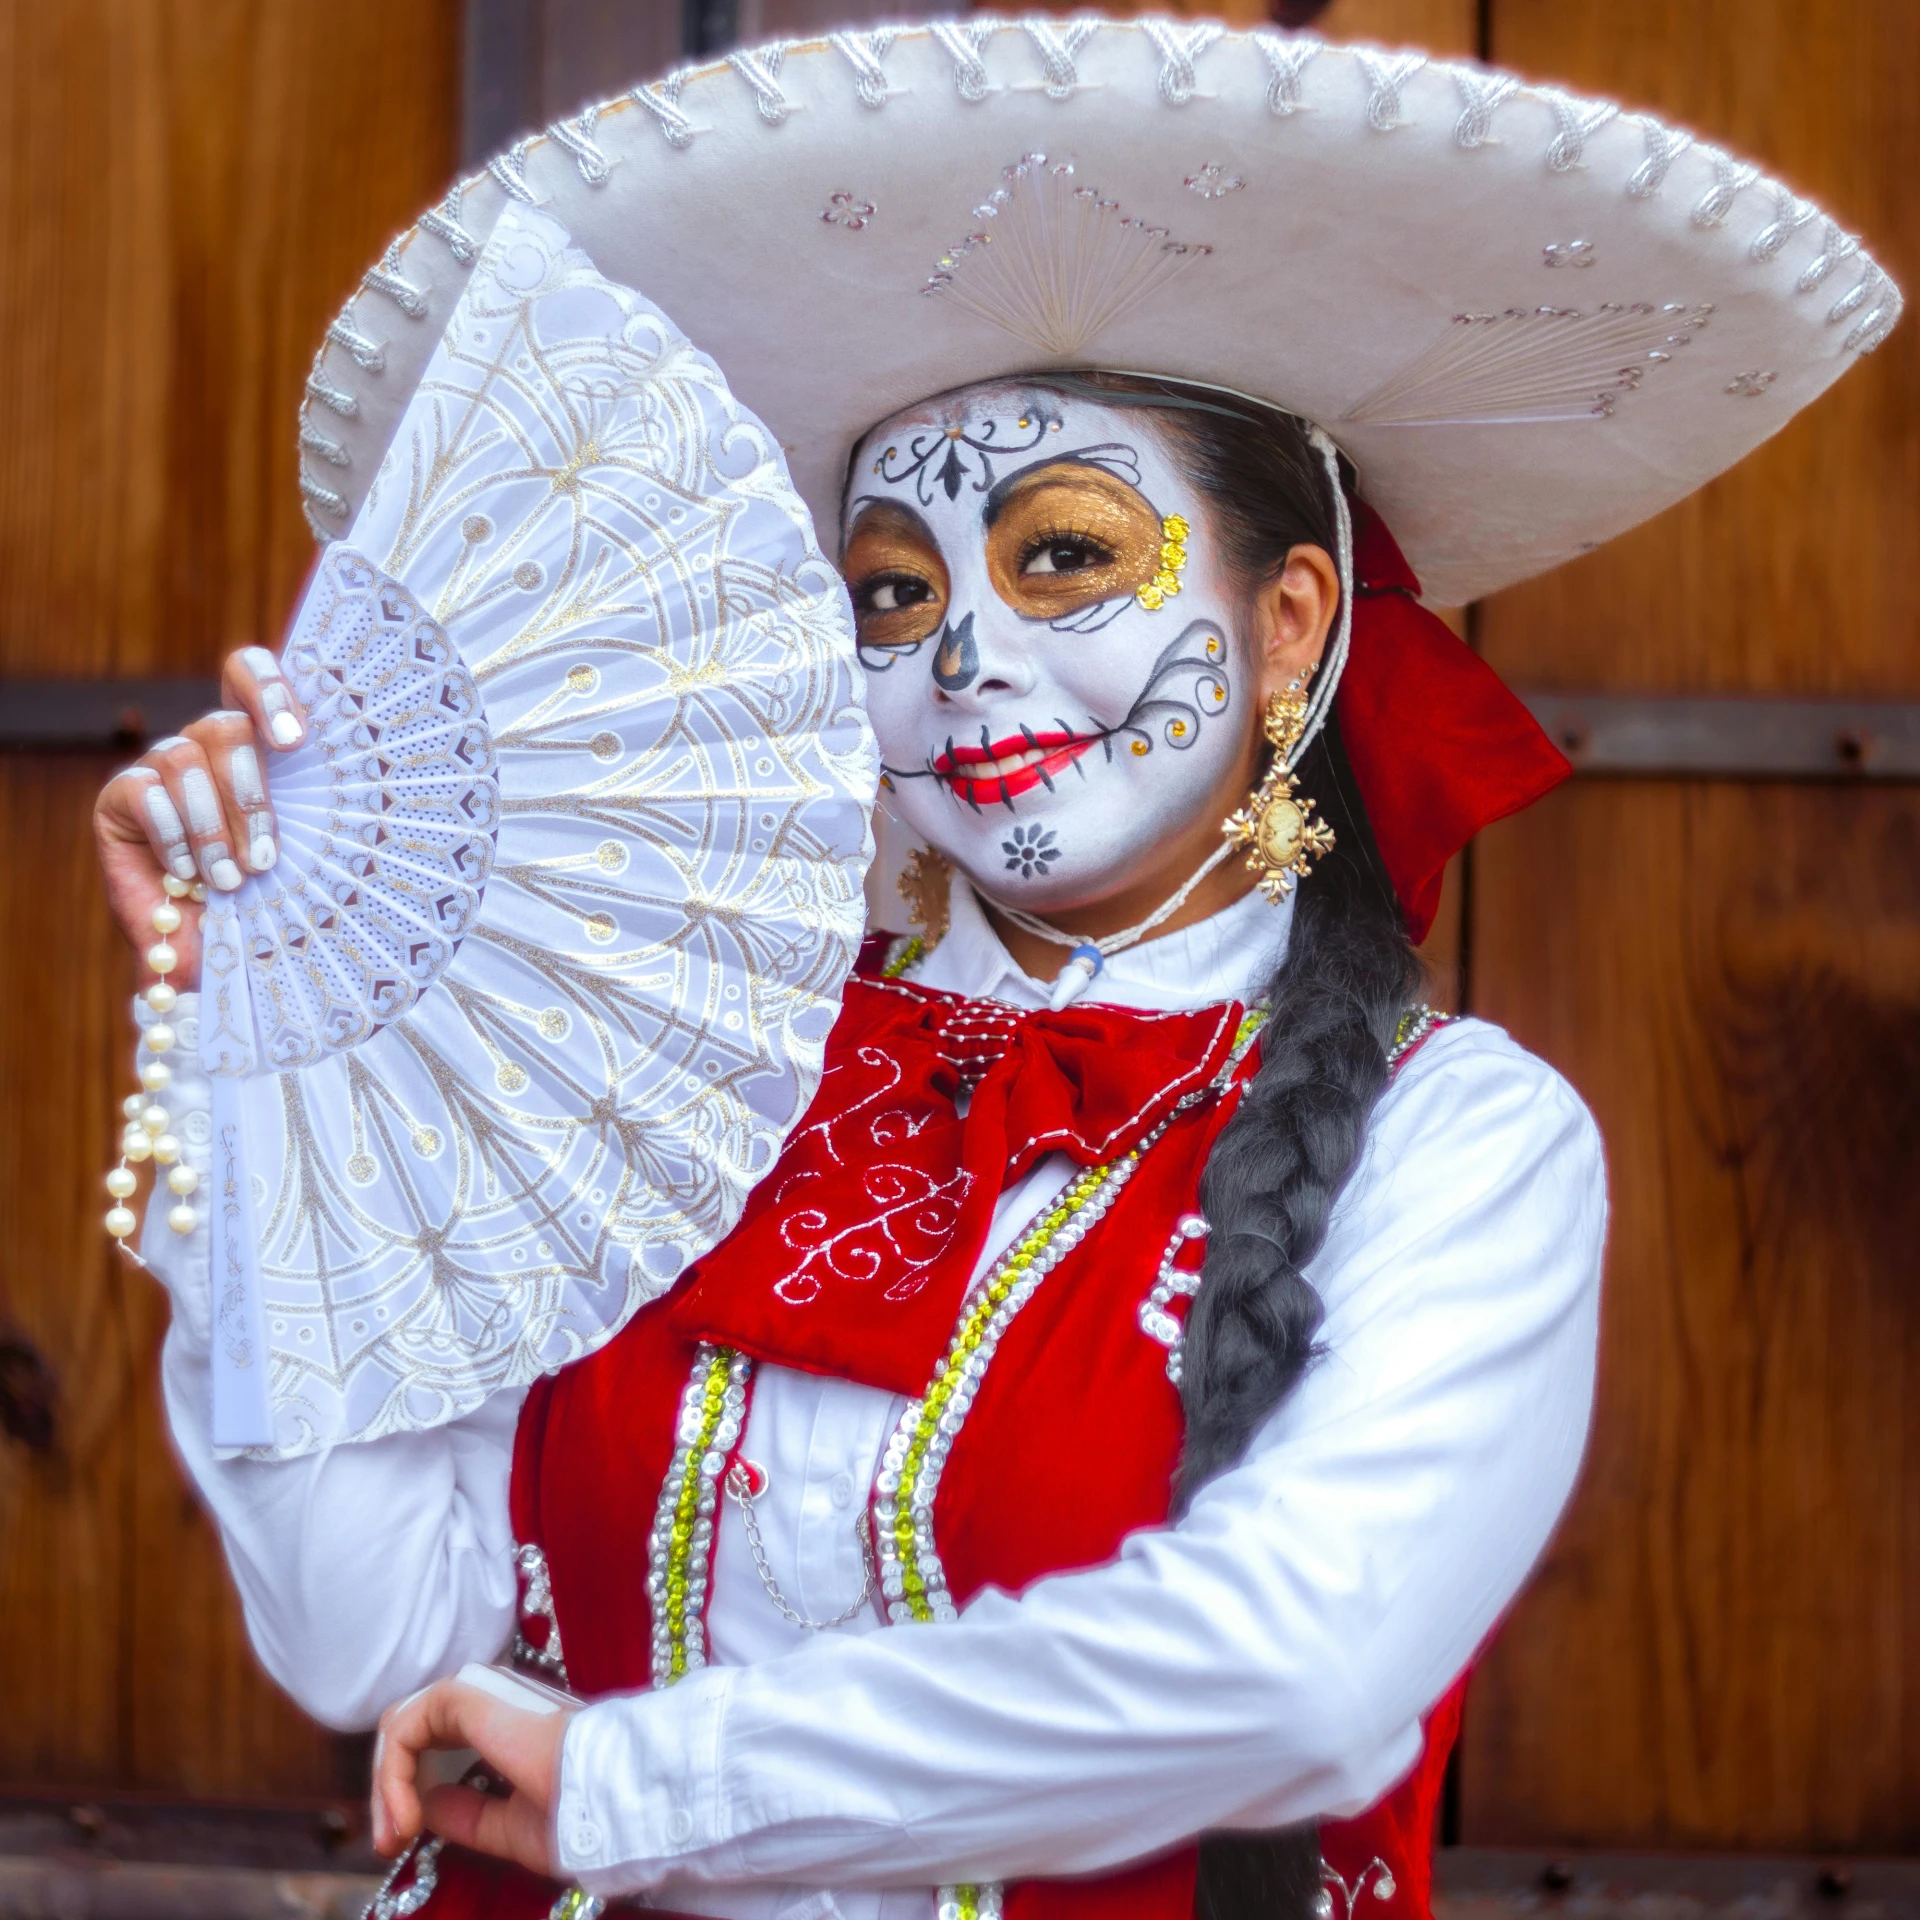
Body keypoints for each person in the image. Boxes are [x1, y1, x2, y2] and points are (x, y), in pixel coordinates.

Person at [87, 20, 1894, 1920]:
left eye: (1063, 559)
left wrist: (654, 1782)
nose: (961, 664)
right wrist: (267, 1019)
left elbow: (1299, 1670)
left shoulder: (1461, 1147)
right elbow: (374, 1634)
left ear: (1290, 624)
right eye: (894, 590)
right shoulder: (685, 1059)